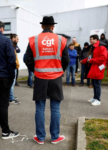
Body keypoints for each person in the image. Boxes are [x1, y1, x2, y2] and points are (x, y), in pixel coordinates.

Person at [25, 16, 69, 144]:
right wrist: (60, 71)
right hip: (56, 77)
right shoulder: (61, 40)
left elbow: (28, 60)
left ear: (42, 26)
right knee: (55, 108)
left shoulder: (34, 39)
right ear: (53, 26)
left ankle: (40, 137)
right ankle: (55, 137)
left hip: (40, 77)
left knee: (40, 108)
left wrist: (36, 70)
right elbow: (66, 59)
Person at [80, 34, 107, 106]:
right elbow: (89, 57)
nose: (89, 40)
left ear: (96, 40)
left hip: (98, 68)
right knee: (94, 84)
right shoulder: (93, 47)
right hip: (94, 67)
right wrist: (84, 61)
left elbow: (103, 58)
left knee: (97, 84)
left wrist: (91, 60)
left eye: (91, 39)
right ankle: (95, 98)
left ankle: (98, 100)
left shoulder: (101, 47)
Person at [9, 34, 21, 104]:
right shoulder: (10, 45)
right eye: (17, 39)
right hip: (12, 67)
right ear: (13, 38)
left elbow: (19, 50)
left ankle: (11, 96)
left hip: (14, 67)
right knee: (11, 83)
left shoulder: (13, 45)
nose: (18, 40)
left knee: (12, 83)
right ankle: (11, 98)